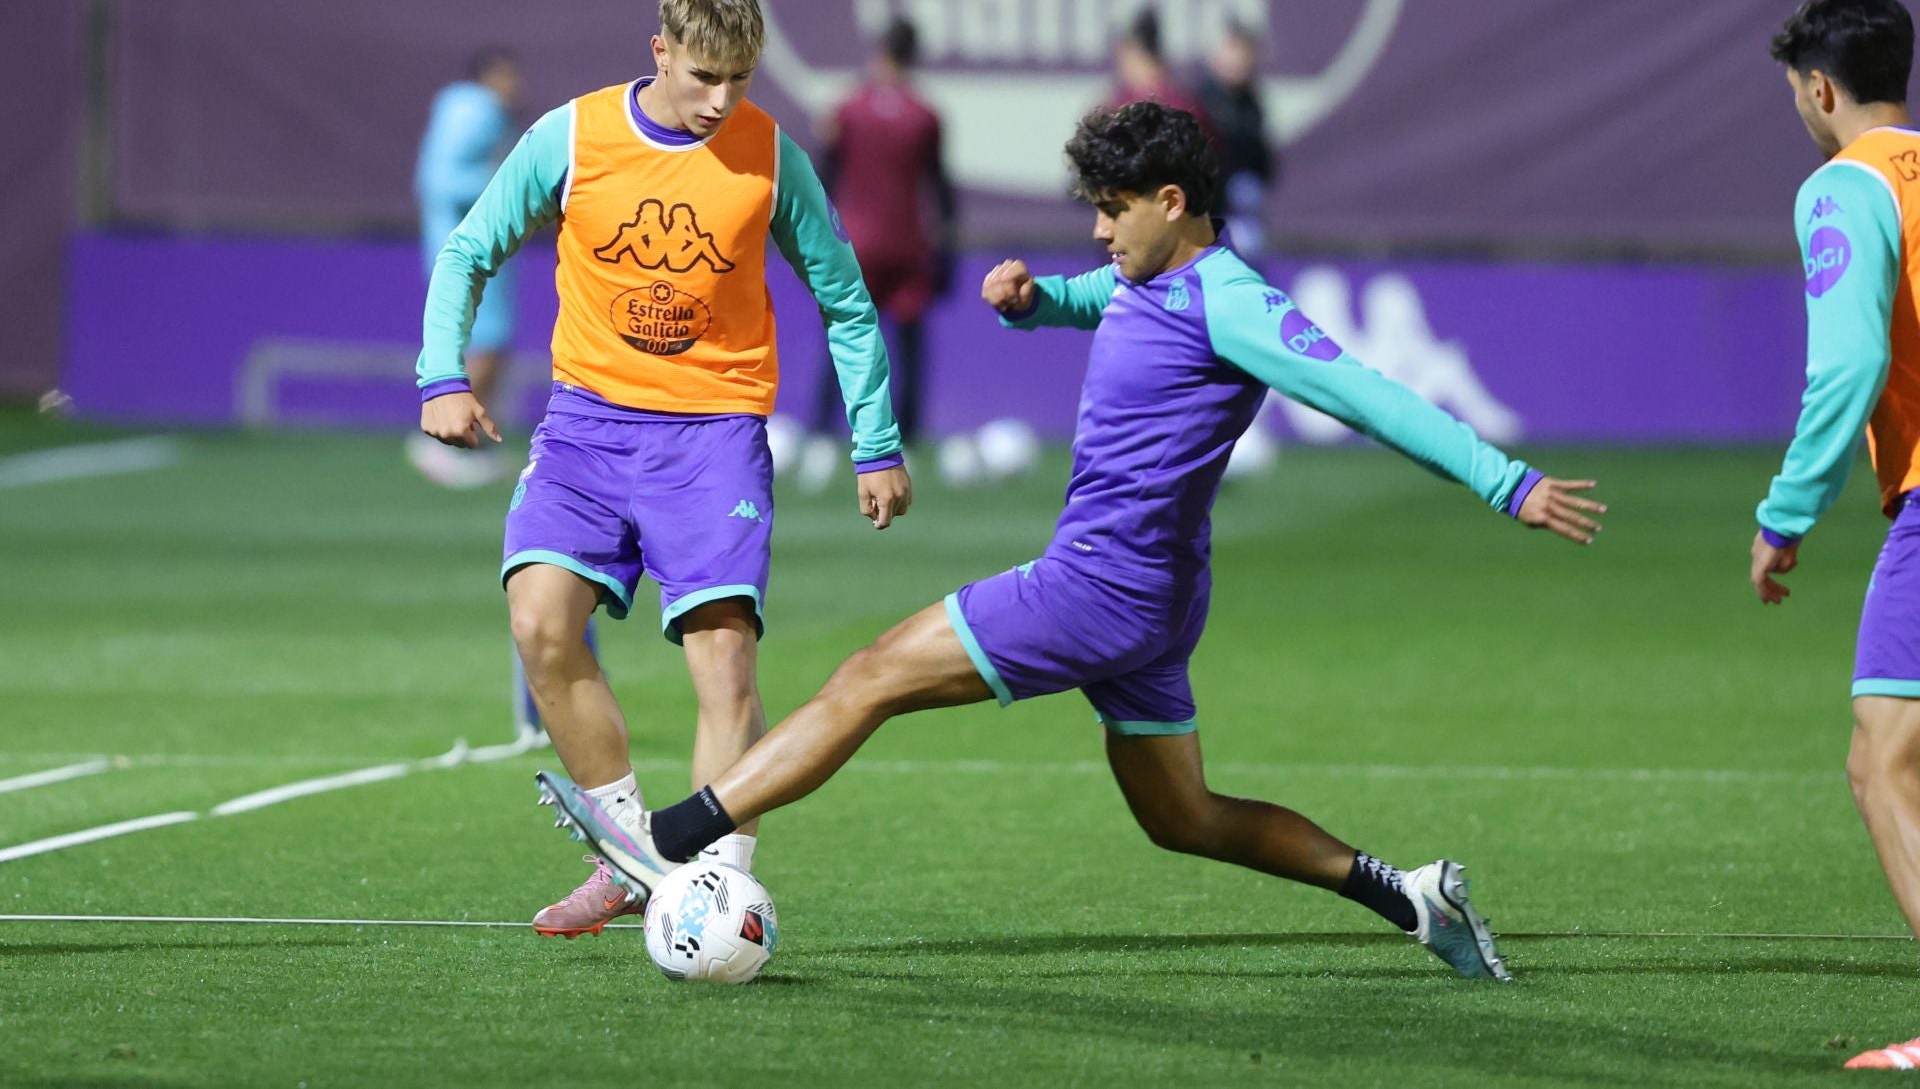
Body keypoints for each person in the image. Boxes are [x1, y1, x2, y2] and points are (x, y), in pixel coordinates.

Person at [537, 101, 1606, 980]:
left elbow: (1369, 396)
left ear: (1174, 203)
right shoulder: (1156, 278)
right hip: (1156, 599)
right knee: (1183, 817)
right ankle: (1412, 898)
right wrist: (1036, 301)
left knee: (867, 678)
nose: (1100, 231)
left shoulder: (1235, 303)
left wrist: (1506, 483)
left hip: (1099, 588)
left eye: (1113, 209)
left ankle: (664, 839)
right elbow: (1104, 297)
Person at [416, 0, 912, 937]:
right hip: (587, 430)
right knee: (541, 625)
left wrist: (876, 442)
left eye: (740, 78)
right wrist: (443, 377)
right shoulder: (571, 135)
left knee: (723, 664)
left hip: (714, 438)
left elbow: (846, 302)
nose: (721, 101)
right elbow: (469, 248)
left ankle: (718, 890)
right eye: (702, 77)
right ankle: (636, 855)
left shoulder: (772, 157)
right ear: (660, 53)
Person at [1741, 0, 1918, 1072]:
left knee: (1881, 759)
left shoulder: (1843, 190)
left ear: (1819, 88)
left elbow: (1849, 362)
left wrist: (1787, 512)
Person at [805, 17, 956, 466]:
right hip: (908, 243)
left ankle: (821, 434)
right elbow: (939, 187)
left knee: (845, 337)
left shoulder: (847, 110)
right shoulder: (925, 115)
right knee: (908, 347)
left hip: (857, 245)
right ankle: (906, 438)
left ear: (878, 52)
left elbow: (822, 179)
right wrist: (946, 249)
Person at [409, 48, 524, 488]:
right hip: (468, 246)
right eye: (509, 75)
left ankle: (463, 443)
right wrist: (512, 185)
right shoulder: (476, 110)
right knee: (487, 343)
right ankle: (441, 442)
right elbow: (440, 180)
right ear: (491, 76)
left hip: (464, 241)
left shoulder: (462, 108)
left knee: (491, 343)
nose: (517, 86)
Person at [1196, 23, 1276, 257]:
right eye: (1233, 52)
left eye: (1243, 54)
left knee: (1247, 195)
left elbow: (1262, 162)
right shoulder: (1204, 99)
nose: (1238, 62)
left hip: (1239, 207)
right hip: (1211, 202)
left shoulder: (1252, 103)